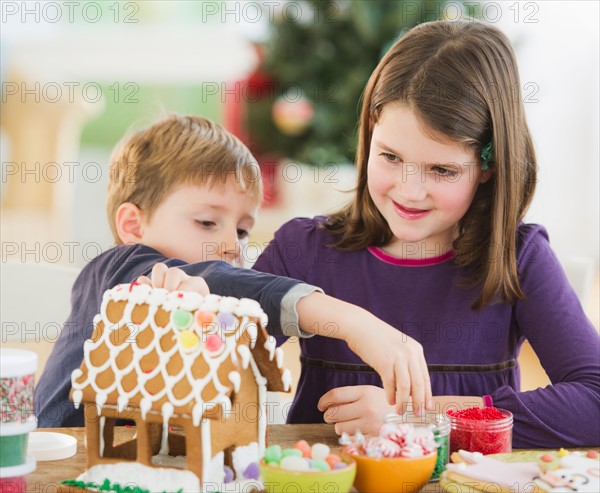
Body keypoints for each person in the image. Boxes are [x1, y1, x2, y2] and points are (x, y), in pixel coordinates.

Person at [252, 20, 600, 447]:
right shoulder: (303, 249)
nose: (409, 190)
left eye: (442, 169)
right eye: (390, 156)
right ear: (370, 131)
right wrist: (348, 321)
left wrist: (416, 417)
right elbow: (210, 341)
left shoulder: (518, 258)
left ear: (489, 167)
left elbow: (594, 401)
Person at [35, 115, 431, 427]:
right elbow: (225, 283)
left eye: (242, 230)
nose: (231, 245)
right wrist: (349, 321)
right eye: (207, 222)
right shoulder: (122, 268)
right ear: (133, 225)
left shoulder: (198, 317)